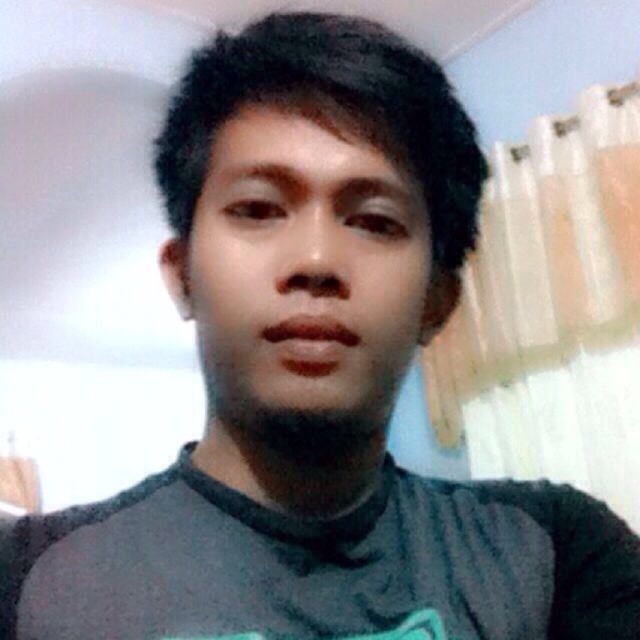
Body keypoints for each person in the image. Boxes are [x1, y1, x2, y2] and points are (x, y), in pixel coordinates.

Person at [1, 10, 639, 640]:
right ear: (182, 274)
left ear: (438, 300)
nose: (315, 260)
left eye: (375, 220)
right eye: (258, 208)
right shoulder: (29, 583)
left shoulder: (555, 555)